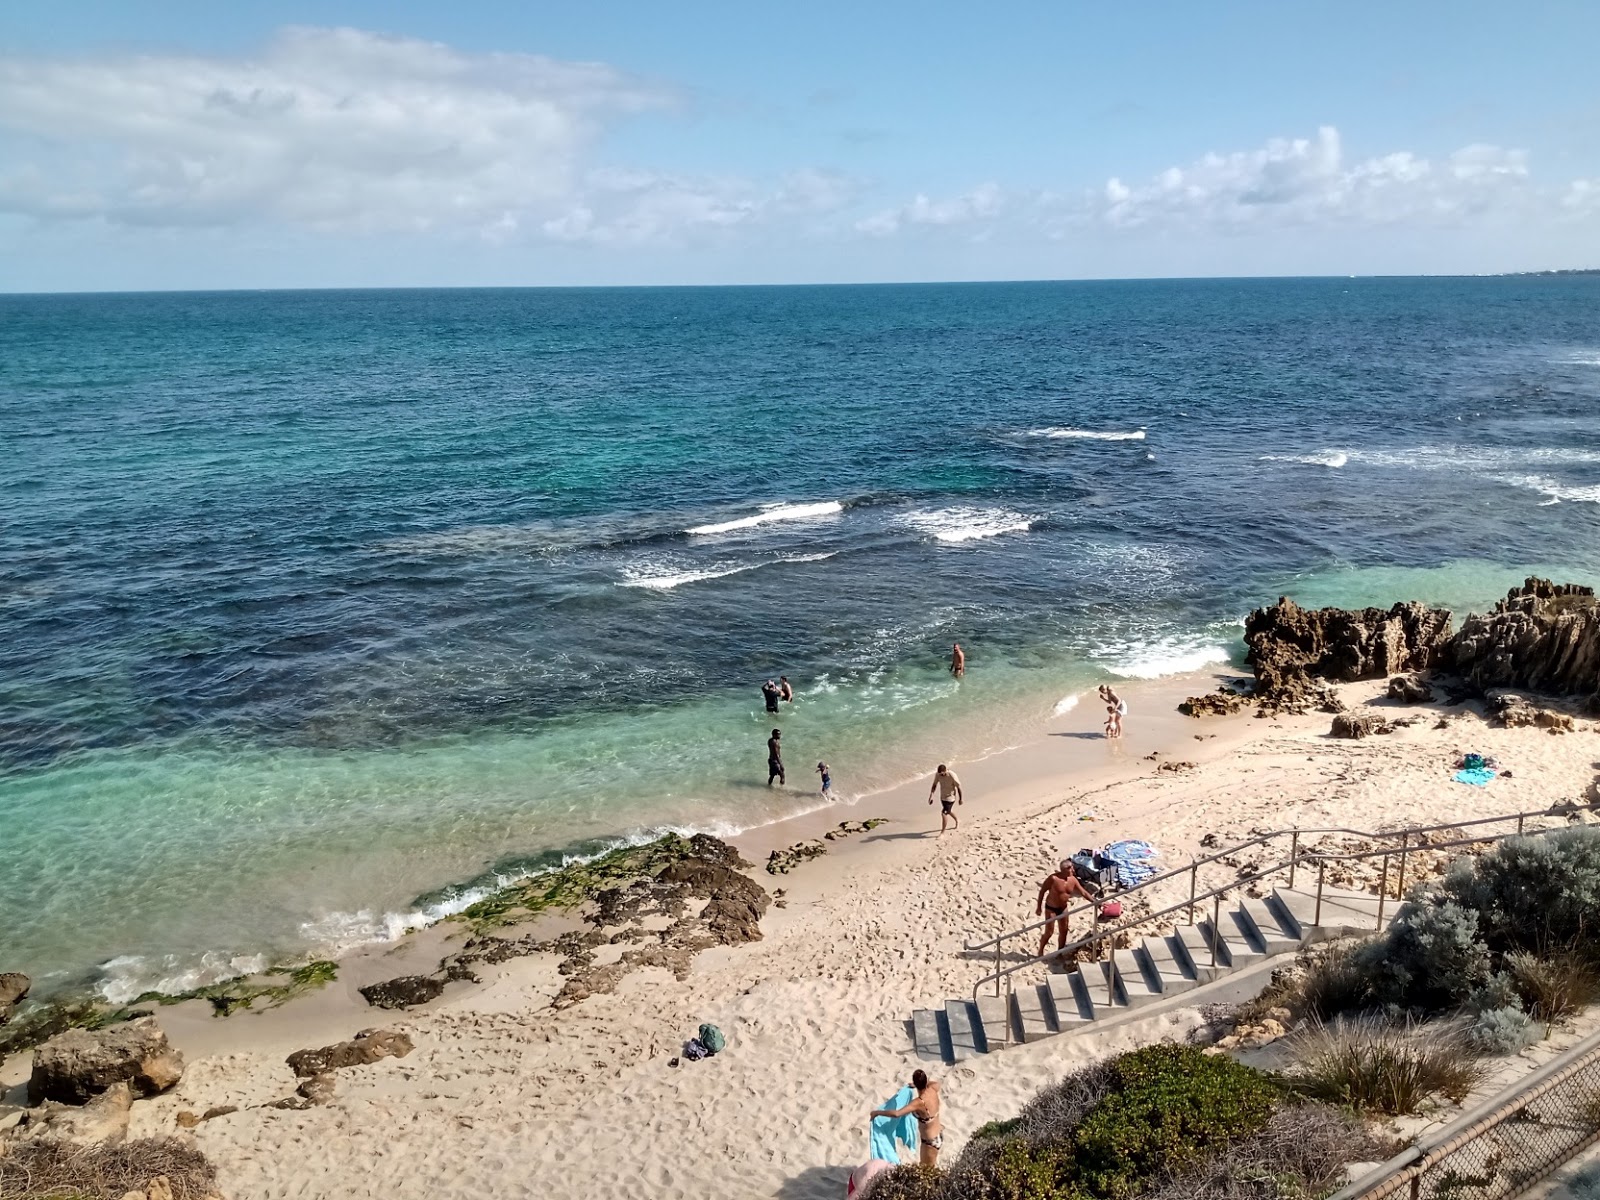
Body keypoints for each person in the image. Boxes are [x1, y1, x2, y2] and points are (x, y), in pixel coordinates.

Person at [871, 1069, 943, 1167]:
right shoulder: (933, 1089)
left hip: (930, 1141)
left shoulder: (919, 1102)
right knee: (928, 1167)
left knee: (926, 1169)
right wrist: (921, 1084)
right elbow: (937, 1083)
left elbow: (897, 1114)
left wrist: (877, 1113)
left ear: (916, 1084)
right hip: (937, 1133)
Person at [1036, 860, 1097, 957]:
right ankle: (1041, 950)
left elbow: (1083, 892)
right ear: (1064, 870)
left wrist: (1095, 902)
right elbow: (1042, 891)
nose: (1073, 870)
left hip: (1063, 907)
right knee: (1049, 932)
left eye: (1072, 867)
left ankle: (1059, 953)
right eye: (1070, 868)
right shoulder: (1053, 879)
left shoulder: (1072, 879)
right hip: (1051, 908)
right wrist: (1038, 907)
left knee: (1064, 931)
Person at [928, 764, 962, 833]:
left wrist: (960, 799)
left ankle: (942, 833)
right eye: (940, 774)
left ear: (945, 770)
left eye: (942, 774)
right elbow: (934, 785)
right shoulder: (938, 775)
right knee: (948, 811)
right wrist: (931, 796)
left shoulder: (952, 775)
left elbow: (958, 787)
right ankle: (957, 820)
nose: (941, 775)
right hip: (943, 797)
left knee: (944, 813)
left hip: (951, 797)